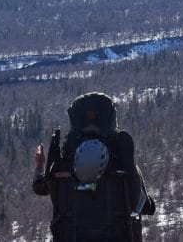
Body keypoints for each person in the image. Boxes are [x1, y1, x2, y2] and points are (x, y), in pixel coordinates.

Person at [32, 92, 155, 242]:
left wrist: (40, 164)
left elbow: (39, 186)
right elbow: (147, 207)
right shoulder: (124, 166)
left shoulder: (60, 167)